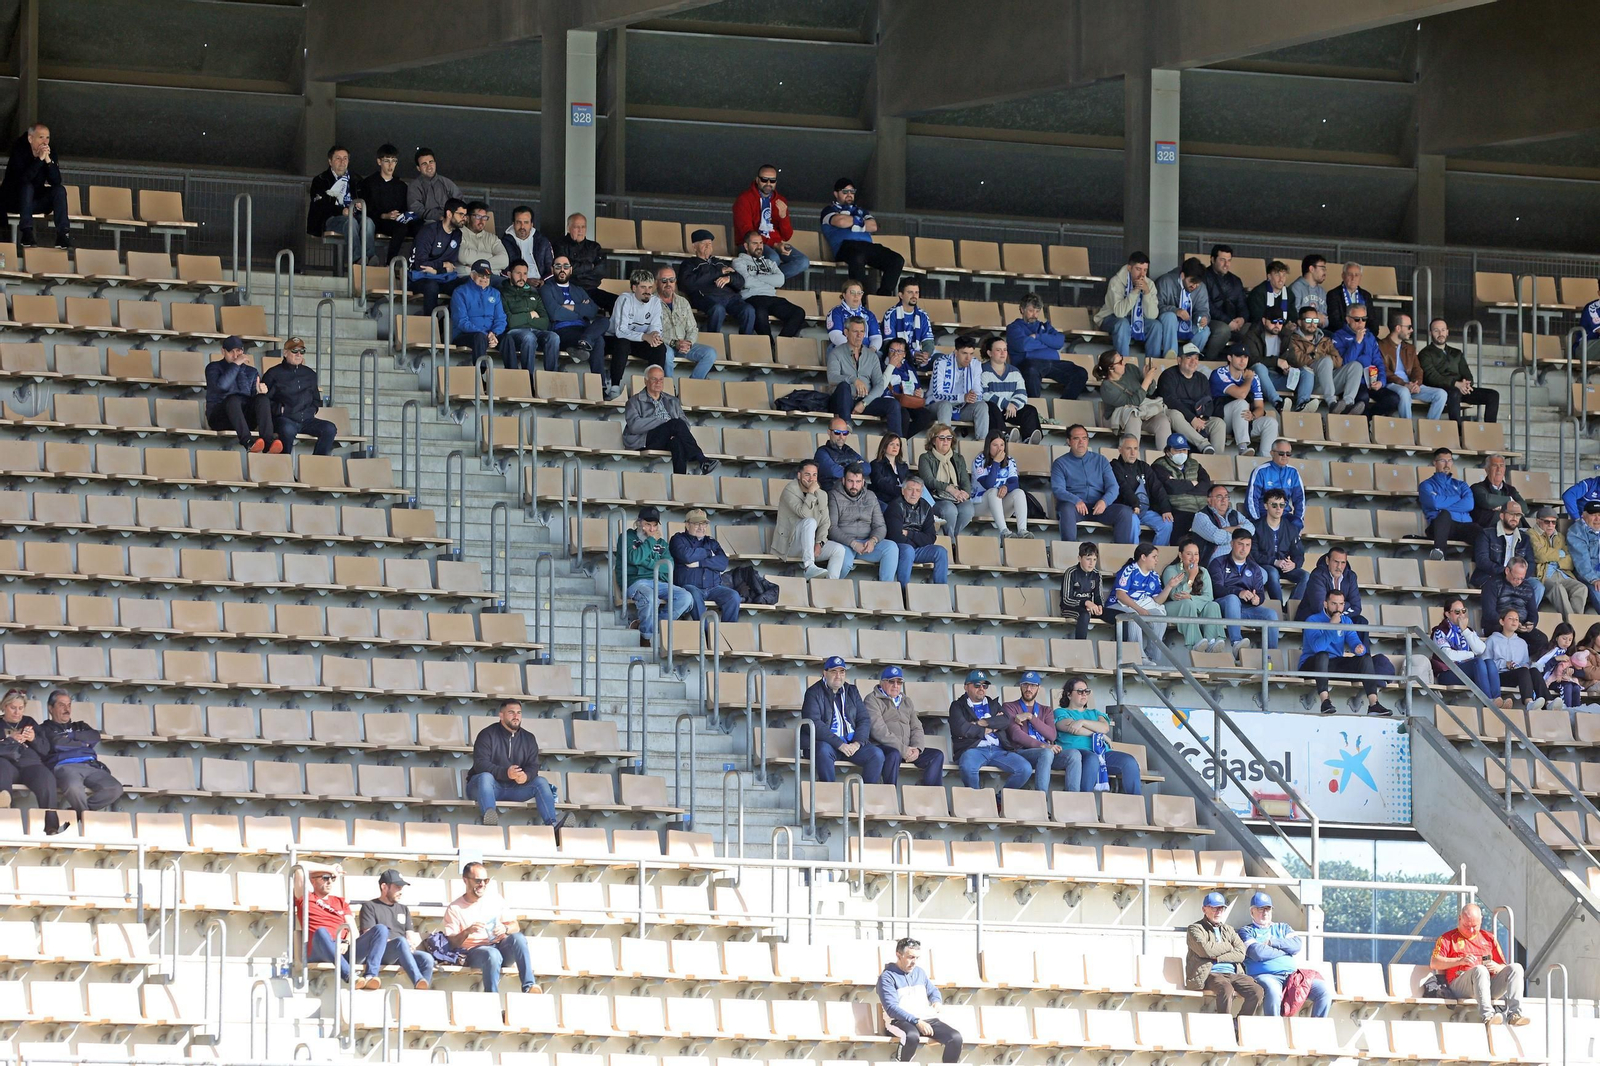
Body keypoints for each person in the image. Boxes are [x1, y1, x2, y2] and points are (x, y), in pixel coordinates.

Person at [444, 863, 538, 994]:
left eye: (485, 880)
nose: (482, 884)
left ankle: (529, 986)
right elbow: (452, 943)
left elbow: (515, 926)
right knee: (492, 954)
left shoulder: (495, 899)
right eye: (478, 880)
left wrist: (505, 928)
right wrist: (467, 931)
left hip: (500, 945)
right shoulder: (455, 908)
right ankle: (491, 997)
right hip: (475, 951)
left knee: (519, 938)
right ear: (465, 880)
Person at [466, 698, 561, 828]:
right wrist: (506, 773)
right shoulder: (486, 734)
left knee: (541, 781)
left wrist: (526, 776)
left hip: (515, 788)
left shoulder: (529, 738)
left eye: (519, 713)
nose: (516, 716)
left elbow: (533, 766)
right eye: (511, 712)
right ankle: (490, 822)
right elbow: (480, 764)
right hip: (486, 788)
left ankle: (553, 825)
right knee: (485, 777)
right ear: (501, 715)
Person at [1300, 590, 1394, 716]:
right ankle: (1325, 701)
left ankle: (1374, 704)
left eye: (1341, 604)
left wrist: (1358, 648)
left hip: (1334, 664)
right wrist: (1332, 626)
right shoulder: (1312, 620)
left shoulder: (1346, 621)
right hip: (1311, 664)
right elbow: (1318, 647)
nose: (1338, 608)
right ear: (1325, 604)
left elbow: (1354, 640)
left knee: (1365, 658)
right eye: (1333, 603)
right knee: (1323, 655)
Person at [1431, 903, 1527, 1026]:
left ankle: (1514, 1014)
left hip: (1488, 986)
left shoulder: (1489, 938)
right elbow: (1434, 962)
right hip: (1460, 985)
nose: (1471, 930)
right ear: (1459, 919)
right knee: (1480, 970)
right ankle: (1487, 1016)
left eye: (1474, 926)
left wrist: (1497, 967)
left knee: (1516, 968)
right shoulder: (1447, 939)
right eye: (1466, 926)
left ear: (1481, 920)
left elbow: (1504, 966)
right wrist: (1459, 961)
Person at [1238, 892, 1332, 1018]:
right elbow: (1257, 953)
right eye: (1260, 909)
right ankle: (1275, 1032)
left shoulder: (1283, 928)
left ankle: (1316, 1030)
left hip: (1292, 976)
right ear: (1252, 912)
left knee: (1323, 990)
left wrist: (1272, 942)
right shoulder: (1246, 931)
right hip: (1265, 976)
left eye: (1268, 909)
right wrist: (1285, 951)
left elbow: (1297, 945)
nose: (1265, 913)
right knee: (1273, 991)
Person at [615, 506, 695, 640]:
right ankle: (646, 639)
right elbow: (634, 558)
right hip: (635, 582)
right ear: (639, 523)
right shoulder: (627, 537)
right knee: (650, 597)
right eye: (647, 525)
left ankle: (653, 629)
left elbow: (668, 567)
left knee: (686, 597)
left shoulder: (663, 543)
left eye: (654, 525)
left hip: (658, 582)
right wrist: (651, 542)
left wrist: (644, 561)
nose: (652, 530)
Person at [879, 937, 964, 1063]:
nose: (914, 962)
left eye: (917, 958)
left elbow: (933, 990)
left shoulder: (919, 972)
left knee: (955, 1038)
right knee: (911, 1036)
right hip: (898, 1021)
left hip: (926, 1019)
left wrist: (936, 1001)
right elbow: (892, 1009)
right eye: (910, 957)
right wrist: (916, 1021)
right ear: (899, 955)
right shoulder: (886, 977)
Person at [36, 689, 122, 814]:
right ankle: (85, 817)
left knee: (115, 788)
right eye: (61, 705)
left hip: (90, 765)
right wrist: (82, 743)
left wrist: (71, 737)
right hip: (63, 766)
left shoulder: (80, 726)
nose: (67, 709)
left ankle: (79, 813)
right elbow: (57, 744)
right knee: (74, 788)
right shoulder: (43, 728)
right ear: (50, 708)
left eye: (69, 705)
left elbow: (94, 736)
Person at [292, 865, 378, 988]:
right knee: (321, 931)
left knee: (380, 930)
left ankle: (371, 976)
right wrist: (330, 868)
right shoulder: (305, 898)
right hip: (318, 949)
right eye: (325, 877)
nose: (330, 881)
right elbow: (298, 868)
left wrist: (345, 942)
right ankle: (350, 975)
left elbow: (353, 929)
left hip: (343, 948)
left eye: (332, 878)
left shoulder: (340, 901)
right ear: (313, 880)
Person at [801, 656, 882, 784]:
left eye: (842, 672)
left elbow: (864, 719)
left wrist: (857, 743)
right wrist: (840, 744)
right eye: (834, 671)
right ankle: (830, 794)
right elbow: (814, 723)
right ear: (824, 673)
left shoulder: (852, 691)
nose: (838, 676)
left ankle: (863, 798)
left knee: (876, 754)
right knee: (822, 750)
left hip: (851, 745)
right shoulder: (813, 692)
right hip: (828, 745)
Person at [1053, 677, 1142, 794]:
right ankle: (1084, 801)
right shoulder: (1060, 712)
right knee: (1092, 758)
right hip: (1077, 753)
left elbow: (1104, 728)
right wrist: (1099, 735)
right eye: (1080, 691)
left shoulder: (1095, 713)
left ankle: (1135, 804)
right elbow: (1074, 730)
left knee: (1129, 762)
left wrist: (1082, 722)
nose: (1084, 694)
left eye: (1086, 691)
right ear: (1069, 695)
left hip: (1102, 753)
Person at [622, 365, 714, 476]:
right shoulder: (634, 401)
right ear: (645, 381)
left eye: (661, 379)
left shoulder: (672, 400)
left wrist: (671, 430)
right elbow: (634, 426)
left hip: (668, 436)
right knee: (675, 423)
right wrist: (663, 422)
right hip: (645, 439)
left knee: (677, 442)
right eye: (654, 379)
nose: (658, 382)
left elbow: (685, 425)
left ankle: (680, 481)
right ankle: (701, 458)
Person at [947, 671, 1031, 791]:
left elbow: (1005, 721)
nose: (981, 688)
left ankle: (999, 800)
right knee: (968, 767)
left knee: (1025, 769)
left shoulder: (993, 704)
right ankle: (977, 802)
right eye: (977, 685)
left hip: (999, 750)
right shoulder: (957, 706)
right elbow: (962, 729)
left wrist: (980, 723)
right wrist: (993, 725)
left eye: (984, 685)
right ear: (966, 687)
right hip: (973, 749)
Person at [1186, 892, 1265, 1018]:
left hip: (1234, 973)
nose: (1218, 912)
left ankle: (1238, 1024)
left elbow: (1240, 953)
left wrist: (1218, 957)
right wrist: (1228, 946)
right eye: (1214, 908)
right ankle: (1224, 1027)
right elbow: (1205, 950)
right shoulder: (1195, 929)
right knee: (1226, 989)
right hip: (1211, 974)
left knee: (1257, 991)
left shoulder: (1229, 929)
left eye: (1221, 908)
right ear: (1204, 909)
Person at [1051, 424, 1135, 543]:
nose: (1081, 442)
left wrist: (1104, 501)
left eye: (1084, 438)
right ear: (1068, 441)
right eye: (1076, 438)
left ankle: (1119, 555)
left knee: (1125, 512)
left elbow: (1113, 487)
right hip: (1074, 507)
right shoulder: (1060, 463)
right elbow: (1057, 489)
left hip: (1098, 507)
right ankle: (1069, 552)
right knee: (1066, 509)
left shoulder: (1101, 460)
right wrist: (1076, 500)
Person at [820, 177, 902, 294]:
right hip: (845, 247)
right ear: (836, 194)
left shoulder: (862, 211)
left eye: (852, 191)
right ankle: (860, 299)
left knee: (896, 259)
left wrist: (852, 222)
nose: (849, 194)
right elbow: (841, 222)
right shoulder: (828, 210)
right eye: (845, 191)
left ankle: (883, 296)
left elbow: (873, 226)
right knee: (858, 257)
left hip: (867, 246)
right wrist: (862, 223)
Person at [864, 667, 944, 787]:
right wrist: (902, 749)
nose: (896, 685)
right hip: (884, 747)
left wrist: (917, 749)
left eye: (899, 682)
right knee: (894, 754)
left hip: (907, 749)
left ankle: (930, 796)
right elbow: (878, 730)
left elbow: (917, 727)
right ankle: (890, 795)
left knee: (936, 755)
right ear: (882, 682)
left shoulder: (906, 701)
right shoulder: (872, 699)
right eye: (891, 681)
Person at [358, 870, 436, 990]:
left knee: (427, 959)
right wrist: (400, 943)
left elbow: (409, 934)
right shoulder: (370, 906)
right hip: (381, 952)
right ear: (384, 887)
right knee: (400, 941)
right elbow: (368, 934)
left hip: (402, 952)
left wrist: (411, 944)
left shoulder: (403, 909)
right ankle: (418, 979)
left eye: (402, 888)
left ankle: (422, 992)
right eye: (397, 887)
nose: (401, 892)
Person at [262, 337, 338, 456]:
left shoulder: (310, 374)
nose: (298, 354)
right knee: (287, 430)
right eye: (294, 351)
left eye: (302, 351)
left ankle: (315, 465)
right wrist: (280, 410)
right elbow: (263, 401)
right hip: (285, 419)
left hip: (307, 420)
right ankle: (284, 467)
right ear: (285, 353)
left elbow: (316, 400)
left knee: (330, 429)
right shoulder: (273, 373)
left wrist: (311, 411)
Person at [0, 691, 63, 833]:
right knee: (1, 769)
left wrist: (33, 738)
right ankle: (4, 821)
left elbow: (45, 749)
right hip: (7, 764)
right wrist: (10, 739)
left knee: (46, 777)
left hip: (29, 764)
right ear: (4, 706)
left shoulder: (29, 722)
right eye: (13, 708)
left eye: (20, 708)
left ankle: (51, 827)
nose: (17, 712)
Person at [775, 461, 850, 578]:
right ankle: (809, 566)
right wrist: (810, 493)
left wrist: (819, 543)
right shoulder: (790, 490)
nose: (811, 479)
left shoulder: (822, 494)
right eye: (807, 474)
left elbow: (825, 523)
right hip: (790, 545)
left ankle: (831, 585)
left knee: (839, 550)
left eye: (814, 475)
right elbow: (803, 514)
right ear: (799, 475)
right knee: (810, 521)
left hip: (810, 546)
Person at [1210, 529, 1279, 655]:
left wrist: (1257, 599)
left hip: (1245, 609)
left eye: (1248, 545)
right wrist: (1238, 592)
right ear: (1232, 544)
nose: (1244, 549)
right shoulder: (1218, 562)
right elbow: (1217, 589)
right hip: (1222, 607)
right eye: (1240, 544)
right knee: (1232, 599)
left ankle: (1272, 656)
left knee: (1271, 615)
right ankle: (1237, 643)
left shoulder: (1254, 568)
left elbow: (1260, 593)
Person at [732, 164, 808, 278]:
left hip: (775, 244)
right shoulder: (744, 199)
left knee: (802, 261)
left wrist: (783, 218)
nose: (768, 184)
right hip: (750, 244)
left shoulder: (780, 200)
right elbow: (747, 232)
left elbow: (787, 236)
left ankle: (766, 282)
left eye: (772, 181)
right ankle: (769, 282)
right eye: (764, 179)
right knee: (773, 258)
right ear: (757, 180)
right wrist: (775, 244)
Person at [0, 123, 70, 247]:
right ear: (30, 138)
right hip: (15, 201)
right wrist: (38, 160)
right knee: (27, 187)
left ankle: (62, 235)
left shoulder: (51, 152)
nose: (45, 142)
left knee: (59, 190)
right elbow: (23, 179)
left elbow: (56, 181)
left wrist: (48, 161)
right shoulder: (19, 152)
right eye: (41, 137)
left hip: (35, 201)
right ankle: (26, 233)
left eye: (47, 138)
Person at [1109, 543, 1180, 664]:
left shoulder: (1154, 576)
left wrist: (1169, 586)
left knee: (1160, 619)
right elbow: (1120, 595)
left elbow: (1158, 600)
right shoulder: (1129, 570)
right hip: (1119, 605)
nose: (1157, 560)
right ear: (1143, 557)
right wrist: (1139, 609)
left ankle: (1151, 657)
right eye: (1154, 557)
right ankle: (1139, 657)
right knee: (1135, 617)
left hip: (1142, 606)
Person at [1006, 293, 1087, 399]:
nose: (1034, 315)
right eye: (1031, 311)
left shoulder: (1044, 326)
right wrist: (1048, 343)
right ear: (1022, 310)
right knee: (1031, 370)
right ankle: (1035, 409)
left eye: (1037, 311)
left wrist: (1037, 337)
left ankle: (1064, 404)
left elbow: (1059, 341)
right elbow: (1024, 345)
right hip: (1029, 364)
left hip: (1053, 363)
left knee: (1080, 373)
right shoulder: (1013, 327)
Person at [1095, 350, 1180, 449]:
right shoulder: (1106, 387)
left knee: (1162, 420)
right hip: (1117, 416)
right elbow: (1132, 403)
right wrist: (1146, 381)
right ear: (1111, 368)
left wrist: (1147, 378)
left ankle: (1165, 459)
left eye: (1122, 359)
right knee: (1133, 416)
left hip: (1141, 411)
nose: (1124, 363)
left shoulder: (1130, 369)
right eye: (1120, 362)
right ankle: (1132, 457)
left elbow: (1150, 392)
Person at [1419, 318, 1500, 423]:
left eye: (1443, 330)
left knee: (1493, 395)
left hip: (1461, 389)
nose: (1440, 333)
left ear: (1447, 332)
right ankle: (1457, 432)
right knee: (1455, 393)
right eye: (1436, 330)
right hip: (1442, 390)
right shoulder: (1425, 354)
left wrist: (1466, 385)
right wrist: (1455, 384)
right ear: (1430, 333)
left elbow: (1467, 374)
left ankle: (1490, 433)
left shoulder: (1456, 353)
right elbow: (1431, 377)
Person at [828, 317, 899, 435]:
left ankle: (895, 441)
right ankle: (846, 427)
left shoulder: (872, 356)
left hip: (864, 401)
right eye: (855, 331)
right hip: (842, 400)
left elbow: (879, 385)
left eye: (862, 331)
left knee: (893, 405)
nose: (859, 335)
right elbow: (832, 377)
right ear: (846, 333)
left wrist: (864, 403)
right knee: (844, 386)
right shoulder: (836, 353)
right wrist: (853, 380)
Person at [206, 336, 277, 453]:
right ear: (223, 352)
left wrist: (261, 393)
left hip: (243, 418)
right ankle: (248, 442)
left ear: (242, 351)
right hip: (220, 417)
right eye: (231, 352)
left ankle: (268, 442)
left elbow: (253, 401)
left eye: (238, 351)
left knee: (262, 399)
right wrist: (236, 364)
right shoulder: (213, 367)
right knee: (233, 399)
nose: (235, 355)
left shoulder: (251, 371)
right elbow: (221, 386)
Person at [669, 509, 742, 623]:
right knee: (693, 594)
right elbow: (686, 556)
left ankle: (727, 634)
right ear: (687, 525)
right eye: (697, 524)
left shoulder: (711, 542)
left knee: (733, 596)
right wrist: (708, 553)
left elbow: (723, 563)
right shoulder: (678, 539)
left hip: (714, 588)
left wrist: (700, 563)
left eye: (704, 524)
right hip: (690, 586)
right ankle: (706, 634)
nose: (701, 527)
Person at [830, 464, 900, 582]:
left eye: (857, 482)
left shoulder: (871, 496)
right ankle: (832, 591)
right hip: (844, 544)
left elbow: (880, 526)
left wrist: (873, 540)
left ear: (863, 482)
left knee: (891, 548)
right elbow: (831, 528)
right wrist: (852, 543)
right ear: (843, 480)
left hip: (866, 543)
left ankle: (886, 590)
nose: (854, 486)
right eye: (850, 481)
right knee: (845, 563)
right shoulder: (834, 495)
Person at [678, 228, 755, 334]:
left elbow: (741, 281)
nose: (707, 246)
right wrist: (719, 272)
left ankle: (745, 343)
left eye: (710, 243)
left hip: (730, 298)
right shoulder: (689, 264)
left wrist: (729, 278)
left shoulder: (719, 263)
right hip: (706, 297)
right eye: (703, 243)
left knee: (748, 310)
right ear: (694, 247)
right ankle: (713, 341)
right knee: (718, 310)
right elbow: (686, 283)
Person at [306, 144, 375, 261]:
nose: (342, 162)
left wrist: (361, 206)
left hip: (355, 215)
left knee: (368, 222)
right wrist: (341, 210)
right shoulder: (321, 180)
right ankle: (357, 259)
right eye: (338, 158)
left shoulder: (356, 179)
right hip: (331, 218)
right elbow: (320, 205)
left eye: (345, 158)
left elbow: (367, 199)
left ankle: (370, 258)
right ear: (330, 161)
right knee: (350, 222)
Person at [1285, 303, 1356, 415]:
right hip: (1308, 383)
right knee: (1326, 360)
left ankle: (1347, 404)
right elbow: (1300, 360)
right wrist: (1322, 360)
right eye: (1308, 321)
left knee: (1355, 366)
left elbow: (1339, 361)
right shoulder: (1293, 340)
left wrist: (1316, 357)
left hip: (1327, 382)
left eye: (1315, 320)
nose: (1313, 324)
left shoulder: (1325, 340)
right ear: (1299, 322)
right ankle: (1332, 403)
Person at [732, 231, 805, 337]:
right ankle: (769, 345)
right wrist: (769, 280)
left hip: (771, 297)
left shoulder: (770, 263)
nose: (759, 246)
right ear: (746, 246)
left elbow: (780, 280)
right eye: (755, 243)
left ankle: (781, 344)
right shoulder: (739, 261)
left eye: (761, 243)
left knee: (798, 312)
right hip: (752, 297)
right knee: (760, 313)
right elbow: (746, 282)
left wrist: (757, 277)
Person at [1210, 347, 1279, 457]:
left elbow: (1260, 407)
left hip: (1244, 421)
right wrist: (1248, 379)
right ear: (1229, 358)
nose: (1243, 360)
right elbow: (1240, 394)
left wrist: (1253, 415)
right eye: (1238, 356)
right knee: (1241, 403)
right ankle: (1242, 447)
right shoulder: (1220, 373)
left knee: (1271, 423)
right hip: (1222, 421)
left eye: (1245, 357)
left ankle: (1265, 461)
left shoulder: (1254, 377)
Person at [1003, 676, 1068, 792]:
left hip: (1045, 753)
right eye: (1025, 685)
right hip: (1020, 752)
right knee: (1046, 753)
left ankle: (1073, 801)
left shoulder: (1046, 710)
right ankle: (1042, 800)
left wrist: (1030, 717)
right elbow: (1015, 735)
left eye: (1033, 685)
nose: (1029, 689)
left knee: (1074, 756)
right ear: (1020, 686)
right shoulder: (1009, 706)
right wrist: (1043, 746)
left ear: (1039, 688)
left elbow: (1052, 735)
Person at [1378, 314, 1448, 421]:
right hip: (1392, 384)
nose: (1412, 330)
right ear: (1398, 328)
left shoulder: (1409, 348)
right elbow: (1384, 371)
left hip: (1410, 385)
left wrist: (1416, 383)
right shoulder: (1380, 345)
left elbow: (1417, 369)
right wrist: (1404, 384)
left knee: (1441, 394)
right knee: (1404, 392)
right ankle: (1408, 430)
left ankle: (1427, 430)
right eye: (1409, 327)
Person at [1156, 347, 1225, 454]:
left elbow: (1209, 402)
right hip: (1178, 417)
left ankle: (1217, 458)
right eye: (1189, 358)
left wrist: (1203, 418)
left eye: (1196, 358)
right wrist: (1192, 419)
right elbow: (1171, 401)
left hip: (1197, 417)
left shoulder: (1202, 378)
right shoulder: (1168, 375)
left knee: (1219, 423)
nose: (1193, 362)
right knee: (1174, 414)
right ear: (1179, 360)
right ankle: (1204, 444)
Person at [654, 267, 718, 380]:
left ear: (675, 282)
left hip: (683, 345)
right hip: (663, 344)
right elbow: (651, 331)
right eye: (664, 280)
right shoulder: (650, 302)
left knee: (710, 353)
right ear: (656, 282)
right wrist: (674, 343)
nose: (668, 284)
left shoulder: (683, 302)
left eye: (671, 280)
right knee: (666, 354)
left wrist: (688, 342)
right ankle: (669, 389)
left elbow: (693, 328)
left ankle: (692, 384)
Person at [1162, 541, 1226, 652]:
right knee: (1187, 603)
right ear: (1180, 555)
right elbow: (1175, 596)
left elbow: (1209, 597)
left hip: (1194, 606)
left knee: (1213, 605)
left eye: (1196, 554)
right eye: (1189, 554)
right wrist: (1191, 577)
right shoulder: (1171, 570)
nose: (1193, 558)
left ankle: (1211, 641)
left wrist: (1191, 597)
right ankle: (1196, 642)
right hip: (1173, 607)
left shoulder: (1203, 571)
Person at [606, 268, 667, 385]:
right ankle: (615, 385)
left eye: (650, 287)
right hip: (613, 340)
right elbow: (620, 331)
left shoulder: (655, 302)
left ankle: (654, 385)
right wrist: (645, 336)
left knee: (660, 348)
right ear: (634, 288)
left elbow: (656, 326)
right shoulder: (625, 299)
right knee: (622, 343)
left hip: (637, 341)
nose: (648, 291)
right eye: (643, 287)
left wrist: (654, 335)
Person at [1109, 434, 1173, 546]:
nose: (1133, 453)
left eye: (1135, 448)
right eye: (1128, 448)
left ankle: (1155, 557)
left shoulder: (1144, 466)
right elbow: (1123, 487)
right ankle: (1134, 557)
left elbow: (1157, 488)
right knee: (1132, 521)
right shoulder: (1114, 466)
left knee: (1167, 523)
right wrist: (1135, 504)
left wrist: (1165, 509)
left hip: (1146, 512)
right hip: (1127, 510)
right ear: (1120, 450)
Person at [1431, 599, 1499, 701]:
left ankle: (1497, 699)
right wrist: (1471, 654)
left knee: (1489, 662)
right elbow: (1448, 655)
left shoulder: (1468, 630)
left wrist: (1465, 631)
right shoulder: (1440, 631)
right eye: (1457, 612)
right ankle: (1488, 701)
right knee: (1477, 662)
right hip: (1447, 673)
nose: (1461, 615)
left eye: (1463, 611)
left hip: (1465, 671)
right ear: (1447, 614)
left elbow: (1481, 649)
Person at [885, 477, 949, 586]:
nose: (914, 494)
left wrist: (909, 534)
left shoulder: (926, 507)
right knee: (909, 550)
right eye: (910, 489)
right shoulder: (895, 506)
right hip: (900, 548)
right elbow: (896, 536)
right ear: (903, 490)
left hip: (917, 548)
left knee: (941, 551)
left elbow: (931, 538)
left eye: (918, 491)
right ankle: (904, 591)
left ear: (921, 492)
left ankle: (941, 591)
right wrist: (919, 539)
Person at [1530, 507, 1591, 619]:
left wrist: (1557, 562)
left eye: (1554, 522)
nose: (1551, 525)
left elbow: (1571, 560)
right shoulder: (1532, 534)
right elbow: (1540, 555)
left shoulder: (1559, 537)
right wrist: (1560, 553)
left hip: (1562, 573)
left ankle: (1576, 621)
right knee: (1558, 589)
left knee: (1581, 588)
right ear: (1538, 521)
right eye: (1547, 521)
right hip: (1544, 575)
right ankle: (1570, 623)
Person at [501, 259, 561, 373]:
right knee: (529, 337)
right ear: (509, 274)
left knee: (554, 337)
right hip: (514, 332)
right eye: (518, 273)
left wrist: (523, 319)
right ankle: (528, 379)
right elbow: (510, 321)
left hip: (536, 331)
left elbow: (545, 322)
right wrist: (531, 315)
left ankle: (551, 377)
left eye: (525, 273)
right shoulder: (502, 293)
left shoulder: (533, 293)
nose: (522, 277)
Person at [407, 197, 466, 313]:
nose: (464, 218)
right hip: (419, 278)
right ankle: (431, 326)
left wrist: (437, 270)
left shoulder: (457, 234)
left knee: (467, 284)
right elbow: (421, 264)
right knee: (431, 286)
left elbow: (451, 265)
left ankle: (447, 322)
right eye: (461, 214)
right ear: (449, 214)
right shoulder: (428, 231)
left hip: (442, 277)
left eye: (465, 215)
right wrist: (442, 266)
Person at [1251, 489, 1308, 607]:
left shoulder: (1291, 528)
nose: (1278, 509)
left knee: (1306, 576)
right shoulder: (1256, 527)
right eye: (1274, 505)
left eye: (1282, 505)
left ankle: (1290, 607)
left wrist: (1294, 564)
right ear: (1266, 506)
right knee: (1272, 573)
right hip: (1266, 566)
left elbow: (1299, 554)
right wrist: (1274, 562)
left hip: (1285, 567)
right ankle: (1279, 607)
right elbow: (1253, 555)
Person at [927, 335, 990, 441]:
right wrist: (962, 397)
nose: (968, 358)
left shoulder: (975, 364)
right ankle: (945, 442)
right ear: (956, 352)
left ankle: (982, 443)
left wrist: (973, 397)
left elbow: (978, 391)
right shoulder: (941, 362)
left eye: (971, 354)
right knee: (945, 405)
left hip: (962, 408)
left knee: (982, 406)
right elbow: (937, 395)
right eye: (964, 353)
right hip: (937, 405)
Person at [981, 337, 1042, 445]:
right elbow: (983, 394)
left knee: (1030, 410)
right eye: (998, 350)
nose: (1003, 353)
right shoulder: (982, 370)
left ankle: (1029, 438)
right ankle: (1003, 436)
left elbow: (1022, 393)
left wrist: (1013, 404)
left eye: (1005, 349)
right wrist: (1005, 404)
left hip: (1011, 410)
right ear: (989, 353)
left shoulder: (1015, 371)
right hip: (994, 410)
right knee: (991, 407)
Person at [1480, 559, 1545, 660]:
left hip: (1520, 626)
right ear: (1507, 571)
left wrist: (1530, 624)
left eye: (1521, 578)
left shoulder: (1527, 587)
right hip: (1498, 625)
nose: (1519, 582)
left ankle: (1518, 659)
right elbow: (1489, 613)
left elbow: (1533, 613)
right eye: (1516, 578)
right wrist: (1508, 622)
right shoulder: (1492, 584)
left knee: (1541, 640)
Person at [918, 422, 974, 537]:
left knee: (968, 509)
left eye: (949, 438)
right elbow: (929, 480)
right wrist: (949, 488)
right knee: (949, 509)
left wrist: (965, 494)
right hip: (935, 499)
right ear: (933, 441)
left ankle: (952, 538)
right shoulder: (925, 458)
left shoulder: (958, 458)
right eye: (942, 438)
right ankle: (952, 542)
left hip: (956, 497)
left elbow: (965, 481)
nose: (946, 441)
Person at [1152, 433, 1212, 541]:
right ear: (1168, 451)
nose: (1182, 453)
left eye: (1184, 450)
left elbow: (1206, 485)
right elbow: (1170, 487)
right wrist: (1192, 484)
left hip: (1202, 509)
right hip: (1178, 509)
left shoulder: (1194, 464)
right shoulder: (1158, 465)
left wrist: (1181, 485)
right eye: (1177, 450)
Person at [1488, 608, 1551, 710]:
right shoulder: (1492, 640)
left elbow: (1525, 662)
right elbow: (1486, 663)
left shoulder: (1522, 642)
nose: (1514, 621)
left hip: (1518, 675)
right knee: (1523, 671)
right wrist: (1505, 664)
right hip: (1499, 676)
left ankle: (1548, 702)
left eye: (1517, 619)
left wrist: (1525, 665)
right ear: (1502, 621)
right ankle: (1529, 702)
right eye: (1511, 618)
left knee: (1533, 671)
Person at [550, 213, 614, 312]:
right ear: (568, 228)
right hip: (569, 290)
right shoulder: (560, 245)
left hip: (591, 290)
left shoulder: (594, 247)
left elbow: (602, 271)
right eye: (576, 227)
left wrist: (576, 271)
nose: (580, 230)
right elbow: (564, 269)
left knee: (618, 302)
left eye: (583, 227)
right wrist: (590, 266)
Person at [1149, 257, 1212, 358]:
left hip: (1189, 323)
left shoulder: (1201, 288)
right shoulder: (1165, 281)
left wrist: (1203, 318)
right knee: (1170, 317)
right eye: (1192, 282)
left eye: (1197, 283)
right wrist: (1175, 311)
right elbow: (1155, 307)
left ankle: (1187, 358)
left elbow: (1203, 309)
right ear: (1183, 275)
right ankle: (1171, 355)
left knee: (1205, 331)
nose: (1194, 286)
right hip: (1168, 324)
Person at [1420, 447, 1475, 561]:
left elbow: (1469, 505)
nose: (1447, 464)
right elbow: (1434, 502)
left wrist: (1443, 504)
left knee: (1480, 532)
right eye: (1442, 461)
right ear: (1434, 463)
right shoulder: (1426, 485)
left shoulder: (1461, 485)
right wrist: (1457, 497)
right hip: (1440, 527)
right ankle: (1439, 553)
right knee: (1444, 514)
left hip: (1462, 526)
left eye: (1449, 460)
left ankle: (1480, 569)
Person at [1329, 305, 1385, 416]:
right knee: (1362, 398)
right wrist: (1357, 342)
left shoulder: (1370, 336)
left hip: (1371, 381)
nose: (1361, 322)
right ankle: (1358, 425)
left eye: (1364, 319)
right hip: (1353, 382)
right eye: (1357, 319)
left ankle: (1368, 422)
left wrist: (1381, 381)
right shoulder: (1338, 336)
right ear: (1348, 319)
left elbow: (1378, 361)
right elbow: (1344, 363)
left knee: (1393, 399)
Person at [449, 260, 506, 366]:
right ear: (472, 275)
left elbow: (501, 319)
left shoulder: (495, 293)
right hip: (465, 335)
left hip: (490, 334)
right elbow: (462, 321)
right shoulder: (460, 292)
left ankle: (513, 374)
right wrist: (486, 335)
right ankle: (480, 375)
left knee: (507, 339)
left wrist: (494, 333)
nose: (484, 278)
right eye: (481, 275)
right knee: (479, 337)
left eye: (487, 276)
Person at [360, 144, 410, 265]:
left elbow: (404, 207)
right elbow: (368, 209)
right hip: (375, 221)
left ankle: (390, 263)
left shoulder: (401, 186)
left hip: (394, 222)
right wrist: (385, 215)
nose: (390, 165)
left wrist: (400, 215)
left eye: (394, 161)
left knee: (404, 228)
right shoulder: (369, 183)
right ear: (379, 161)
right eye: (387, 161)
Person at [972, 433, 1029, 538]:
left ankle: (1023, 530)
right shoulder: (979, 460)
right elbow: (989, 484)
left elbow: (1015, 482)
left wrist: (1006, 487)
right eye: (995, 445)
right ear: (988, 446)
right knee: (993, 491)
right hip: (980, 505)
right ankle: (1004, 531)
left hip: (1001, 507)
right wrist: (996, 463)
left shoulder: (1010, 460)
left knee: (1019, 492)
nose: (999, 449)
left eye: (1002, 445)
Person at [1295, 546, 1368, 627]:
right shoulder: (1317, 575)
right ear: (1327, 561)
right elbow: (1319, 607)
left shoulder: (1351, 576)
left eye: (1343, 562)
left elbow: (1356, 607)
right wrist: (1343, 605)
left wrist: (1338, 616)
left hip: (1340, 615)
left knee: (1361, 621)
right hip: (1316, 617)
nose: (1339, 567)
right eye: (1336, 562)